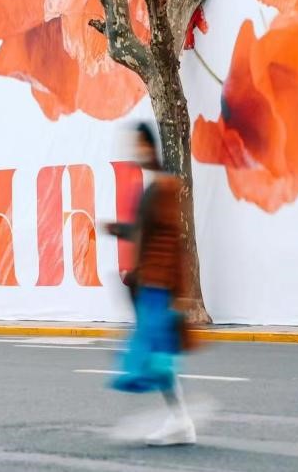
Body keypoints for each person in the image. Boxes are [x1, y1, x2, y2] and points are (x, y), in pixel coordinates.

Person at [105, 122, 195, 446]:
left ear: (150, 146)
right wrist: (118, 230)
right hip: (150, 284)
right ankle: (180, 420)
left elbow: (174, 240)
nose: (136, 152)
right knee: (156, 357)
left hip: (159, 286)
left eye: (139, 145)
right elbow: (146, 233)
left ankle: (180, 421)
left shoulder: (165, 187)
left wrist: (178, 292)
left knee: (156, 357)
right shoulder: (153, 187)